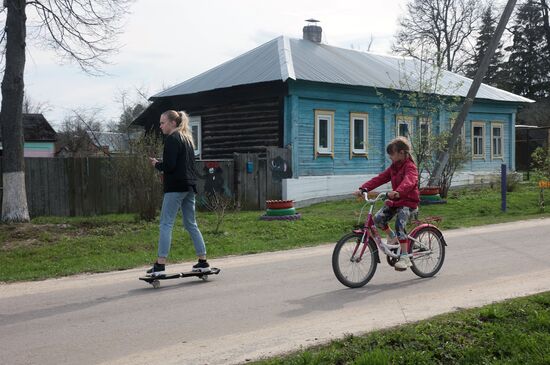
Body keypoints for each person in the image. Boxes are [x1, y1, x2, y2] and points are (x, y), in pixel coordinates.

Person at [147, 110, 210, 276]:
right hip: (189, 187)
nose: (160, 126)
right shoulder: (187, 139)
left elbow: (170, 166)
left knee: (166, 224)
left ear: (173, 123)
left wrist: (156, 165)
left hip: (175, 187)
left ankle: (160, 265)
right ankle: (203, 262)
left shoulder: (172, 139)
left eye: (163, 122)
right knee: (191, 223)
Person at [355, 137, 420, 271]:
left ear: (401, 153)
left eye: (392, 153)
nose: (390, 157)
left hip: (408, 202)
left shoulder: (410, 167)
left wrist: (398, 192)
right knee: (378, 220)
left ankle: (405, 256)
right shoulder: (394, 167)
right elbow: (381, 178)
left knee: (399, 225)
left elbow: (409, 181)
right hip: (397, 201)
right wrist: (364, 188)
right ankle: (392, 237)